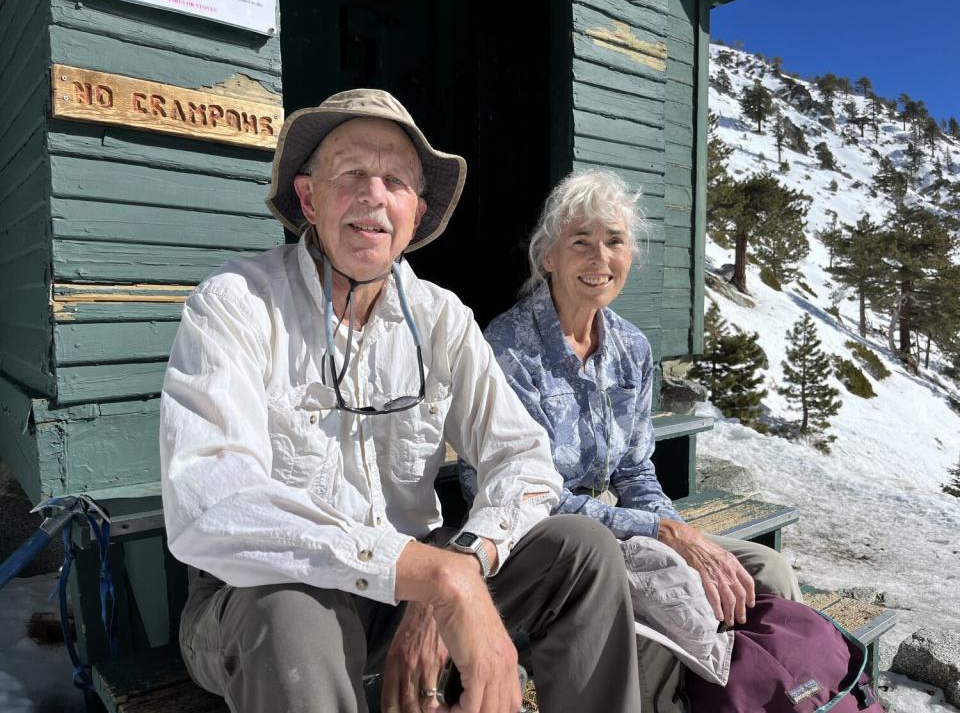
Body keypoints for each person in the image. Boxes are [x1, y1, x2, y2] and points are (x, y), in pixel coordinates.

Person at [159, 90, 642, 713]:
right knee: (290, 610)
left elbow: (524, 461)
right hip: (259, 601)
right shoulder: (235, 303)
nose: (373, 196)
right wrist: (424, 574)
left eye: (395, 181)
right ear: (308, 198)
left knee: (583, 552)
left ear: (416, 213)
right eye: (352, 174)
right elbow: (213, 501)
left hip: (410, 589)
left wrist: (460, 563)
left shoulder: (441, 317)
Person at [461, 168, 803, 710]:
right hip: (541, 540)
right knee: (655, 615)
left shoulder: (630, 347)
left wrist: (686, 541)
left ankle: (770, 696)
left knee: (765, 573)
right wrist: (660, 533)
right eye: (581, 242)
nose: (601, 259)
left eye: (615, 242)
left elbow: (636, 468)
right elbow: (518, 491)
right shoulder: (506, 351)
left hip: (618, 527)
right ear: (547, 256)